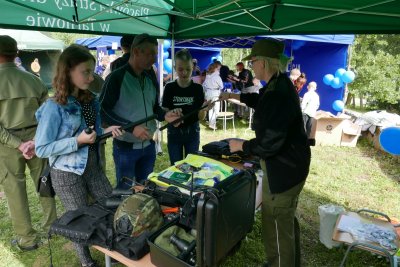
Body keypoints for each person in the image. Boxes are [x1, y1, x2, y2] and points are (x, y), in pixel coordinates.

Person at [220, 39, 311, 267]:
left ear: (263, 62)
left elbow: (269, 143)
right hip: (291, 166)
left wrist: (241, 146)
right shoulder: (278, 83)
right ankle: (285, 261)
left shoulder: (278, 91)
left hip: (285, 170)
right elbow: (261, 100)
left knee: (276, 224)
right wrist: (234, 96)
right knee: (285, 221)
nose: (251, 67)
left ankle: (280, 262)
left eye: (253, 62)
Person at [34, 44, 123, 267]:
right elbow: (42, 148)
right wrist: (77, 141)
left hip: (93, 167)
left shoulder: (91, 100)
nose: (91, 77)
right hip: (66, 174)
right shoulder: (54, 107)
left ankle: (113, 249)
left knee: (112, 206)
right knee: (78, 221)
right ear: (68, 71)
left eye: (92, 71)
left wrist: (106, 131)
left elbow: (93, 132)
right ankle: (86, 262)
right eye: (85, 71)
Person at [100, 33, 181, 190]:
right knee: (126, 192)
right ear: (136, 51)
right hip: (125, 149)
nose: (153, 58)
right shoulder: (116, 78)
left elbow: (154, 108)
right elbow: (103, 110)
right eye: (150, 53)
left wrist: (165, 115)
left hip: (149, 146)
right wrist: (131, 127)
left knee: (145, 189)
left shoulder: (150, 76)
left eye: (155, 54)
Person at [0, 35, 57, 251]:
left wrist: (18, 144)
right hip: (37, 140)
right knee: (45, 183)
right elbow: (48, 115)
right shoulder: (34, 80)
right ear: (16, 53)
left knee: (14, 191)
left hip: (7, 145)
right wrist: (32, 141)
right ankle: (52, 227)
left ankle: (27, 239)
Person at [162, 49, 210, 165]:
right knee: (176, 166)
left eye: (188, 69)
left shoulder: (198, 89)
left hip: (193, 132)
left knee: (192, 166)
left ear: (193, 67)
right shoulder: (169, 87)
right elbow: (164, 112)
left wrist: (203, 109)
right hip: (174, 133)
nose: (184, 72)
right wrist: (172, 113)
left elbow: (201, 117)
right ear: (174, 68)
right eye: (180, 69)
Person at [202, 62, 223, 130]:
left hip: (208, 93)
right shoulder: (217, 77)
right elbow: (222, 86)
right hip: (215, 93)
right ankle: (212, 124)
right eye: (218, 68)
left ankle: (211, 123)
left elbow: (204, 85)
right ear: (216, 69)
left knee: (210, 109)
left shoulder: (208, 76)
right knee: (216, 110)